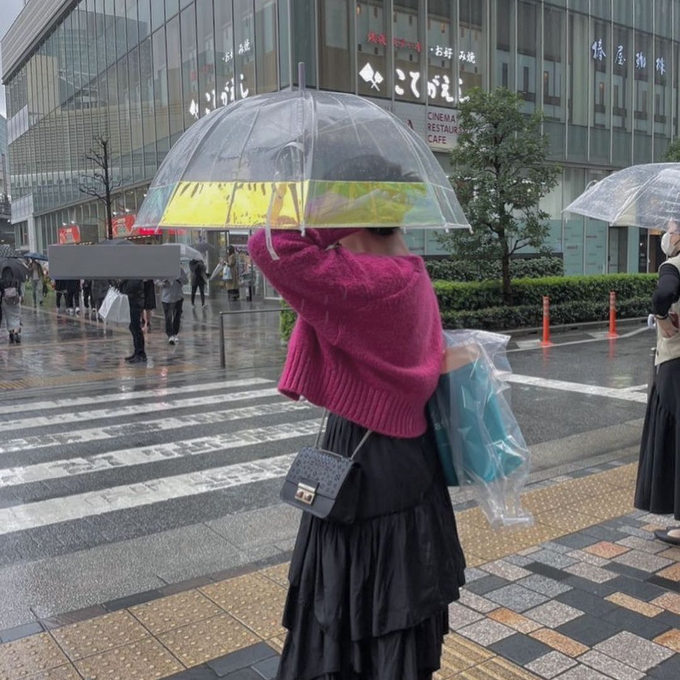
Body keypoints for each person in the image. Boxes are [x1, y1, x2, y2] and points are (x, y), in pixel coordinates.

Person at [248, 198, 466, 678]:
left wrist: (335, 210)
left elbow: (268, 244)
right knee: (396, 607)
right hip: (411, 459)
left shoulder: (367, 281)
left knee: (344, 600)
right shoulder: (410, 274)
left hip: (363, 459)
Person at [636, 219, 680, 544]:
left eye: (672, 227)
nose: (668, 234)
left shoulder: (673, 265)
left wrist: (663, 318)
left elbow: (663, 293)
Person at [119, 279, 147, 363]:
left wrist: (123, 282)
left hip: (135, 304)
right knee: (133, 328)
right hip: (132, 303)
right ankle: (137, 352)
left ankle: (140, 354)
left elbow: (130, 288)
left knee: (136, 329)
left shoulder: (136, 277)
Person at [159, 268, 188, 345]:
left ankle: (175, 333)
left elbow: (186, 281)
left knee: (177, 316)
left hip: (178, 296)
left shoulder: (180, 270)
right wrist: (162, 283)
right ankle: (170, 335)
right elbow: (156, 281)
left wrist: (178, 277)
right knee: (168, 317)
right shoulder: (163, 270)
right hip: (166, 298)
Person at [0, 266, 23, 344]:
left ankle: (11, 333)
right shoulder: (16, 280)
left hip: (5, 301)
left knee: (8, 318)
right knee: (16, 317)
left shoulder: (1, 281)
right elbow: (19, 291)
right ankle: (16, 333)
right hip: (15, 301)